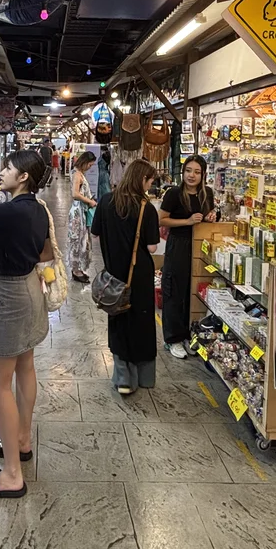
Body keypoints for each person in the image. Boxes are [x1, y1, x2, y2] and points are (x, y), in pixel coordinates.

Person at [0, 150, 51, 499]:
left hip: (11, 297)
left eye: (8, 168)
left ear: (23, 177)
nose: (2, 172)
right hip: (31, 291)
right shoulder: (38, 209)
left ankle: (12, 474)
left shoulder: (5, 213)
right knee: (25, 366)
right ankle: (22, 439)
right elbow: (47, 253)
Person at [91, 160, 160, 394]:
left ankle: (123, 378)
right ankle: (144, 377)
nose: (150, 186)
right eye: (150, 181)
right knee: (141, 320)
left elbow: (96, 234)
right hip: (139, 273)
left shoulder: (106, 200)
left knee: (118, 320)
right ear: (142, 180)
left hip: (113, 273)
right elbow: (151, 247)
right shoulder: (146, 208)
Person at [159, 154, 216, 359]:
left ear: (203, 175)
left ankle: (188, 334)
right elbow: (162, 220)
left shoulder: (206, 193)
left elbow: (208, 217)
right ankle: (172, 338)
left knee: (193, 291)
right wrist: (187, 221)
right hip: (179, 245)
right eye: (188, 171)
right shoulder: (174, 193)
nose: (192, 175)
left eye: (197, 172)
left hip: (200, 246)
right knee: (174, 291)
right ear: (183, 173)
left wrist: (211, 218)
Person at [67, 151, 97, 283]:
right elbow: (75, 194)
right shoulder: (77, 174)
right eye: (89, 165)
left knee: (82, 240)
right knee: (77, 240)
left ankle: (78, 268)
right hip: (77, 212)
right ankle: (76, 270)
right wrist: (89, 201)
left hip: (81, 211)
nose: (90, 167)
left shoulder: (78, 173)